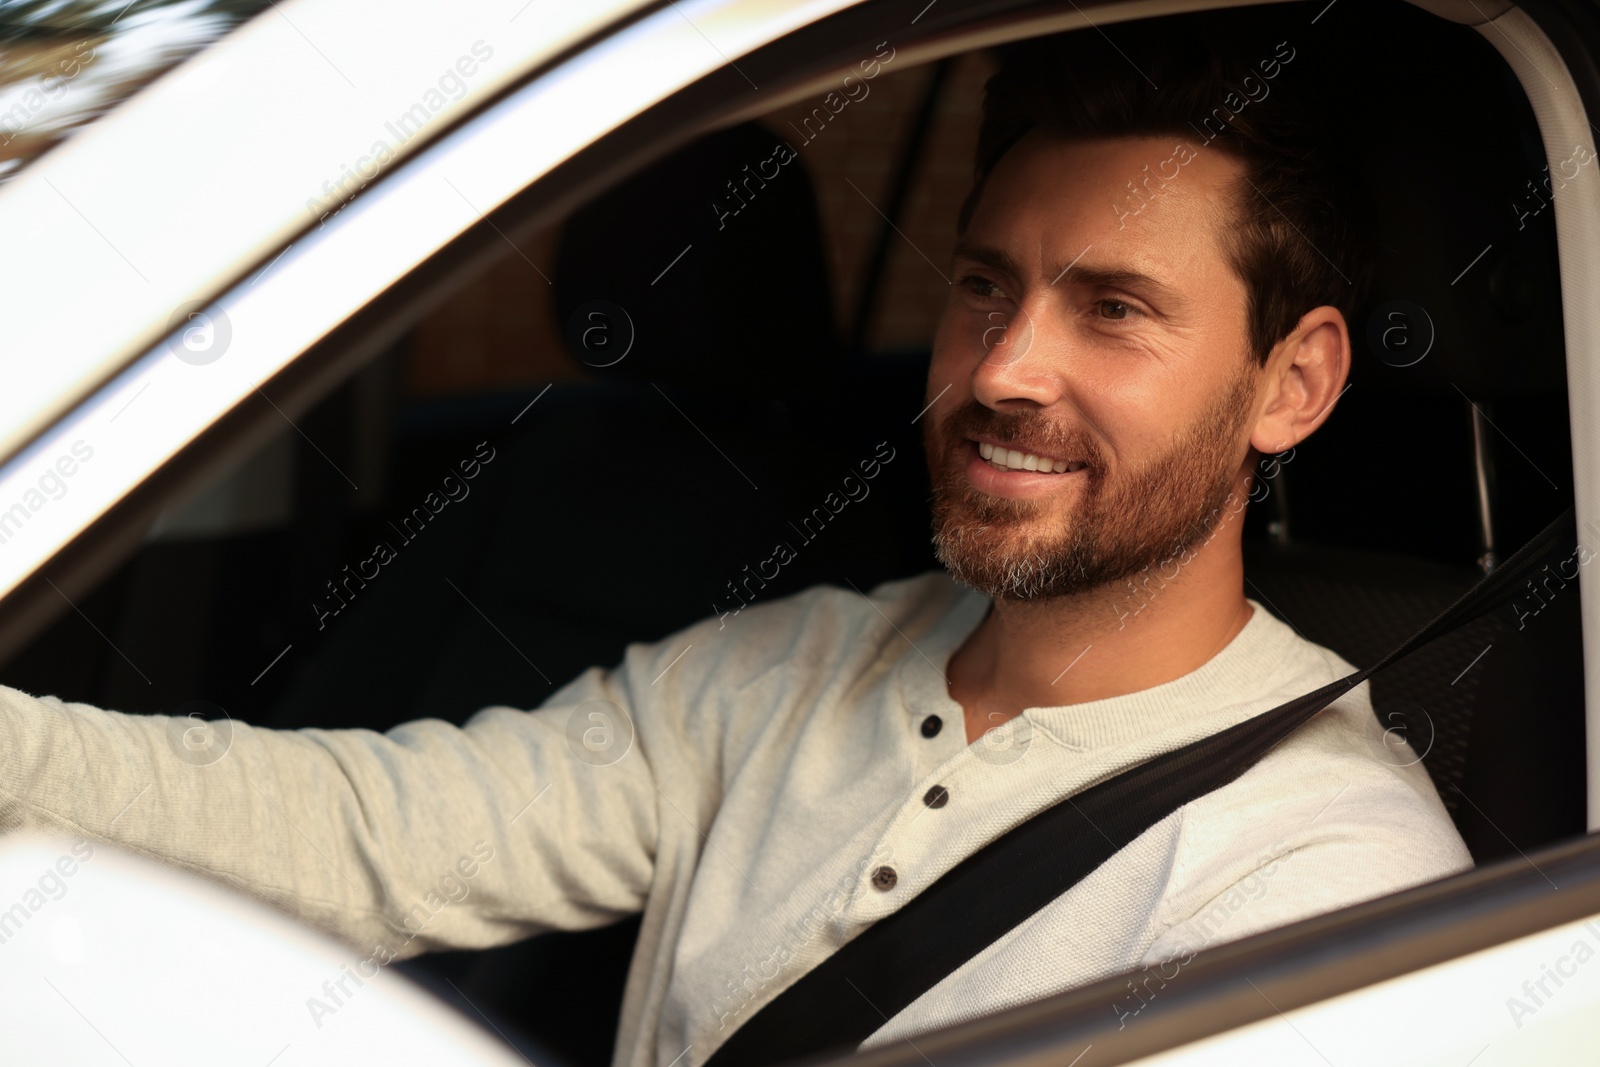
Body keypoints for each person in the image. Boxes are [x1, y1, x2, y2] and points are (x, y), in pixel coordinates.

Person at [0, 14, 1469, 1067]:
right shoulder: (784, 668)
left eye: (1114, 309)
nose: (1005, 365)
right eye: (981, 286)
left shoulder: (1325, 887)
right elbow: (369, 836)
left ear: (1294, 383)